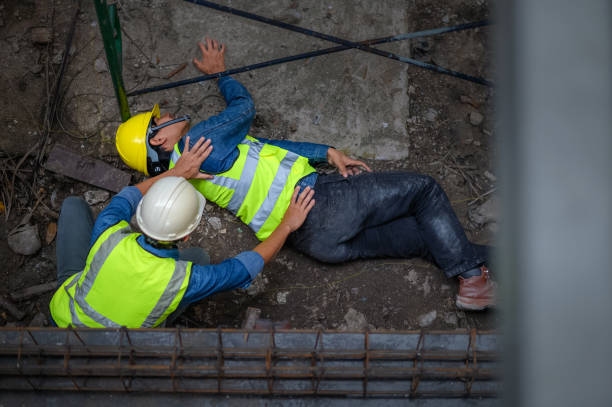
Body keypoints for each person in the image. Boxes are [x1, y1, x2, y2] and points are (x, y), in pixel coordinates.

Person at [115, 38, 495, 311]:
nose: (166, 116)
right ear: (160, 140)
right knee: (424, 191)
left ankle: (499, 264)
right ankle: (472, 280)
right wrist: (221, 74)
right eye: (158, 119)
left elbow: (265, 148)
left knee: (422, 235)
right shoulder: (198, 141)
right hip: (322, 205)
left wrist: (326, 153)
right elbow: (243, 106)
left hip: (315, 242)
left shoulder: (191, 171)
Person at [49, 137, 315, 328]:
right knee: (198, 257)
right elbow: (242, 270)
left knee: (73, 205)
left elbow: (127, 196)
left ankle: (83, 284)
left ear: (141, 216)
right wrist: (287, 225)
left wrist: (176, 172)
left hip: (64, 318)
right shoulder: (181, 281)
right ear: (186, 235)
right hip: (122, 352)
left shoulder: (109, 232)